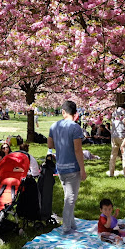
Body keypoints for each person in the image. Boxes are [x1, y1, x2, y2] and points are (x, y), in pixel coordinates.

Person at [47, 100, 86, 235]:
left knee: (69, 196)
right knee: (70, 199)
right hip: (72, 168)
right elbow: (78, 150)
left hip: (61, 167)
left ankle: (72, 224)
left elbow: (50, 145)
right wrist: (82, 169)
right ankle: (66, 228)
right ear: (75, 113)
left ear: (63, 112)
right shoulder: (75, 128)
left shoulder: (54, 126)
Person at [109, 107, 125, 178]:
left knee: (113, 155)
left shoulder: (114, 112)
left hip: (114, 136)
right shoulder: (124, 112)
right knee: (124, 154)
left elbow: (111, 123)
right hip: (121, 136)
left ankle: (111, 173)